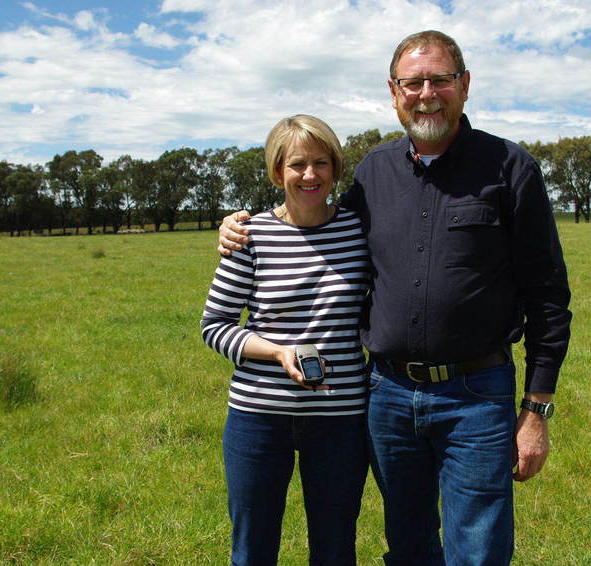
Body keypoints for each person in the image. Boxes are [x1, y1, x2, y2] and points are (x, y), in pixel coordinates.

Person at [218, 31, 571, 566]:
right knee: (407, 545)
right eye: (413, 82)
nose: (426, 92)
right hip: (386, 395)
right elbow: (315, 224)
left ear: (465, 85)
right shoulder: (374, 172)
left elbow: (548, 296)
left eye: (440, 80)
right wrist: (239, 226)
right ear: (394, 91)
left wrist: (536, 410)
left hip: (476, 396)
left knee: (477, 549)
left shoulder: (510, 168)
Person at [201, 114, 371, 565]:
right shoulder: (250, 235)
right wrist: (277, 351)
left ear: (335, 169)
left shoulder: (359, 231)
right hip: (259, 418)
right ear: (278, 172)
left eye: (321, 163)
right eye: (297, 164)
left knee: (335, 548)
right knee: (253, 549)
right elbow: (214, 324)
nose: (309, 175)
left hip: (340, 419)